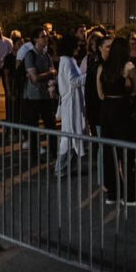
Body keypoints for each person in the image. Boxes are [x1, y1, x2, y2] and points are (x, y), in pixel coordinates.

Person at [97, 36, 136, 204]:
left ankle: (113, 193)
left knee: (109, 153)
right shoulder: (129, 67)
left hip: (106, 109)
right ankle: (130, 195)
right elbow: (135, 90)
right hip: (122, 110)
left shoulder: (102, 67)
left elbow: (100, 93)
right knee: (127, 153)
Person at [54, 35, 86, 177]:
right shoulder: (68, 62)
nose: (78, 48)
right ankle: (60, 168)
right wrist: (88, 75)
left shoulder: (66, 61)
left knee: (69, 136)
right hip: (71, 104)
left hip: (71, 103)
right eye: (76, 46)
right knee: (69, 136)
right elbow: (73, 81)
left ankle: (65, 167)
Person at [23, 28, 57, 157]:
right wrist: (50, 74)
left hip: (46, 96)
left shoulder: (46, 55)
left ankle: (53, 151)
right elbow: (34, 79)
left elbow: (51, 74)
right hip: (33, 97)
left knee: (51, 124)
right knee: (33, 127)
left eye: (46, 36)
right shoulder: (30, 55)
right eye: (43, 36)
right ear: (35, 39)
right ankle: (34, 154)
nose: (46, 38)